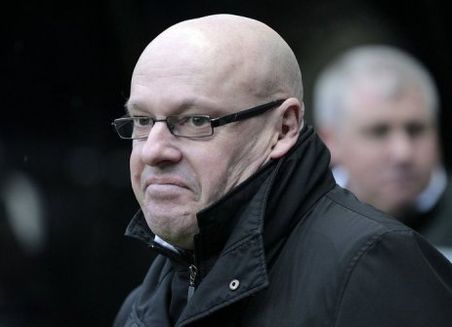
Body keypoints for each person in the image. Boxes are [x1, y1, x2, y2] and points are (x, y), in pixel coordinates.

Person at [111, 14, 452, 326]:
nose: (154, 150)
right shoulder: (145, 303)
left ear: (284, 128)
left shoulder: (372, 267)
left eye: (195, 121)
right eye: (142, 121)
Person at [313, 45, 452, 259]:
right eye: (378, 132)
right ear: (330, 140)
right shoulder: (303, 226)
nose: (402, 153)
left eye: (416, 129)